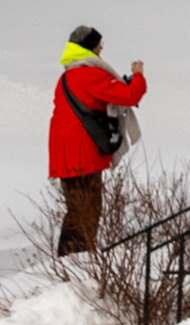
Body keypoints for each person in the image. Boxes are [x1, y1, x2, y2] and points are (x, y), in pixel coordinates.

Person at [46, 23, 146, 257]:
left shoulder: (68, 76)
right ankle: (75, 262)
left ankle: (71, 261)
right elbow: (130, 95)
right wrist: (138, 75)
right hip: (82, 154)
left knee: (77, 210)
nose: (101, 49)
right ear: (90, 48)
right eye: (99, 45)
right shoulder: (88, 74)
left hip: (67, 154)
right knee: (86, 212)